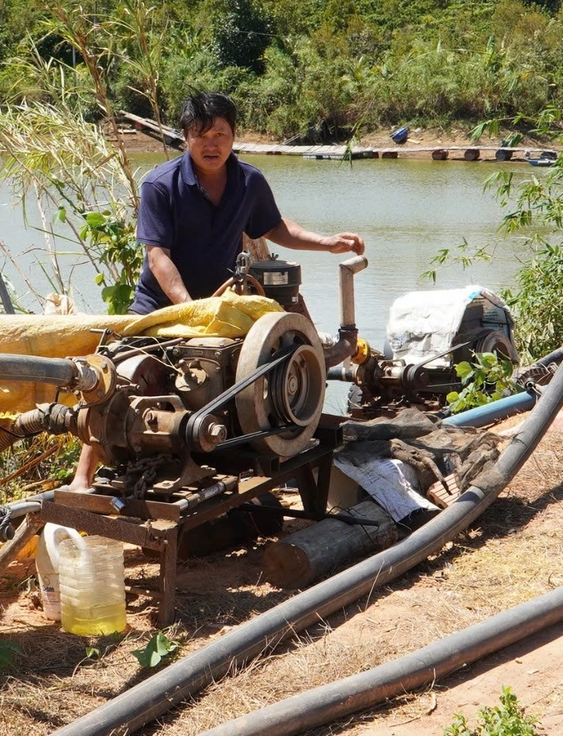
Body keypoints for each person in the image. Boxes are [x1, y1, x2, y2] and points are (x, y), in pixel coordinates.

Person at [70, 91, 364, 488]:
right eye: (201, 135)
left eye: (221, 134)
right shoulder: (160, 185)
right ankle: (82, 480)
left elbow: (274, 227)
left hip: (223, 306)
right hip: (161, 308)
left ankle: (248, 454)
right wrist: (188, 310)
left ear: (234, 136)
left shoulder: (249, 181)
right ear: (185, 138)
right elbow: (158, 256)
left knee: (250, 378)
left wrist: (327, 242)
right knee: (120, 381)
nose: (212, 144)